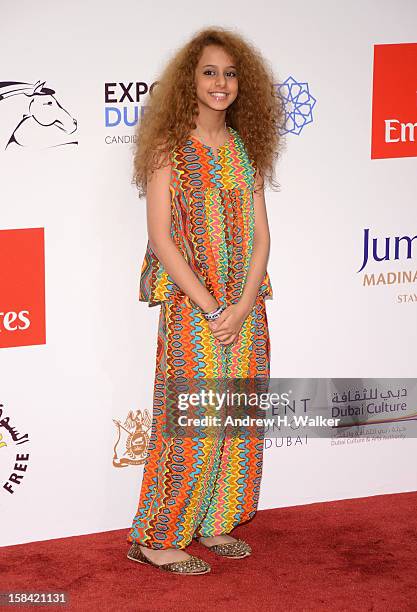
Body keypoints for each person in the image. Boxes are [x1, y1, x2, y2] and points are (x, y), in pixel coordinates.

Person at [126, 26, 284, 575]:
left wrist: (241, 305)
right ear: (190, 79)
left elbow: (263, 235)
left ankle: (216, 520)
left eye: (231, 73)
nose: (221, 83)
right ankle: (157, 536)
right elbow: (162, 238)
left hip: (247, 305)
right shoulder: (169, 147)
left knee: (238, 418)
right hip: (194, 306)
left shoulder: (245, 147)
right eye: (210, 72)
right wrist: (213, 307)